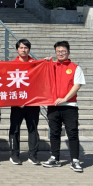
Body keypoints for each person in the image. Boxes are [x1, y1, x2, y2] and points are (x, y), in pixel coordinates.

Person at [43, 41, 86, 173]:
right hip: (54, 106)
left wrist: (65, 98)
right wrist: (44, 63)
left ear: (68, 52)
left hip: (70, 106)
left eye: (63, 51)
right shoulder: (51, 66)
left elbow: (77, 85)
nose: (60, 53)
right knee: (54, 133)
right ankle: (55, 158)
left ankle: (75, 160)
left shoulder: (75, 68)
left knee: (72, 133)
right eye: (58, 51)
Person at [9, 39, 41, 166]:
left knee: (33, 130)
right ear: (17, 49)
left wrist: (46, 62)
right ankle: (14, 155)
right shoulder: (11, 64)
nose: (23, 50)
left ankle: (33, 155)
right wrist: (16, 100)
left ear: (29, 49)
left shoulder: (36, 64)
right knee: (15, 129)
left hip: (33, 104)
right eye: (21, 47)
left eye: (26, 48)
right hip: (17, 104)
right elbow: (7, 85)